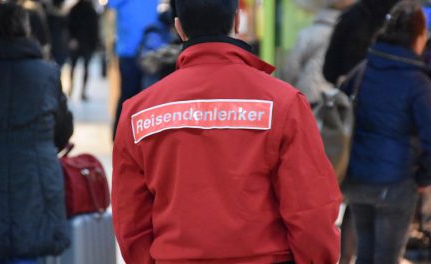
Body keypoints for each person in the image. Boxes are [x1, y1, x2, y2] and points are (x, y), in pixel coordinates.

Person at [112, 0, 342, 263]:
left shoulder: (138, 113)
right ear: (236, 21)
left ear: (179, 29)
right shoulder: (283, 103)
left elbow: (130, 219)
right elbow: (310, 209)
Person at [340, 1, 431, 263]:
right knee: (387, 258)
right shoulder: (418, 82)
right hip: (397, 184)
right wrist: (424, 177)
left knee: (364, 255)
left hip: (357, 180)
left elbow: (341, 114)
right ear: (418, 36)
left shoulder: (363, 70)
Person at [0, 3, 73, 263]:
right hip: (35, 182)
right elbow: (62, 131)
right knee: (29, 251)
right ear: (26, 29)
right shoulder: (46, 73)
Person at [282, 0, 354, 105]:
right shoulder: (351, 34)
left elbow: (290, 68)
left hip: (308, 97)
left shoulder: (309, 33)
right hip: (335, 98)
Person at [108, 0, 158, 139]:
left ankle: (139, 137)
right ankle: (120, 136)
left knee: (146, 97)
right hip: (129, 51)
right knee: (128, 96)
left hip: (150, 50)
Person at [323, 0, 400, 85]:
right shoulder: (403, 23)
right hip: (388, 91)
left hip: (348, 90)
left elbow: (329, 70)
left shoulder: (351, 15)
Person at [67, 0, 99, 101]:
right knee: (81, 67)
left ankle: (76, 90)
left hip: (81, 43)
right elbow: (95, 28)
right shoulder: (89, 10)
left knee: (76, 67)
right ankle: (79, 91)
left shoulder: (76, 9)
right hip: (84, 43)